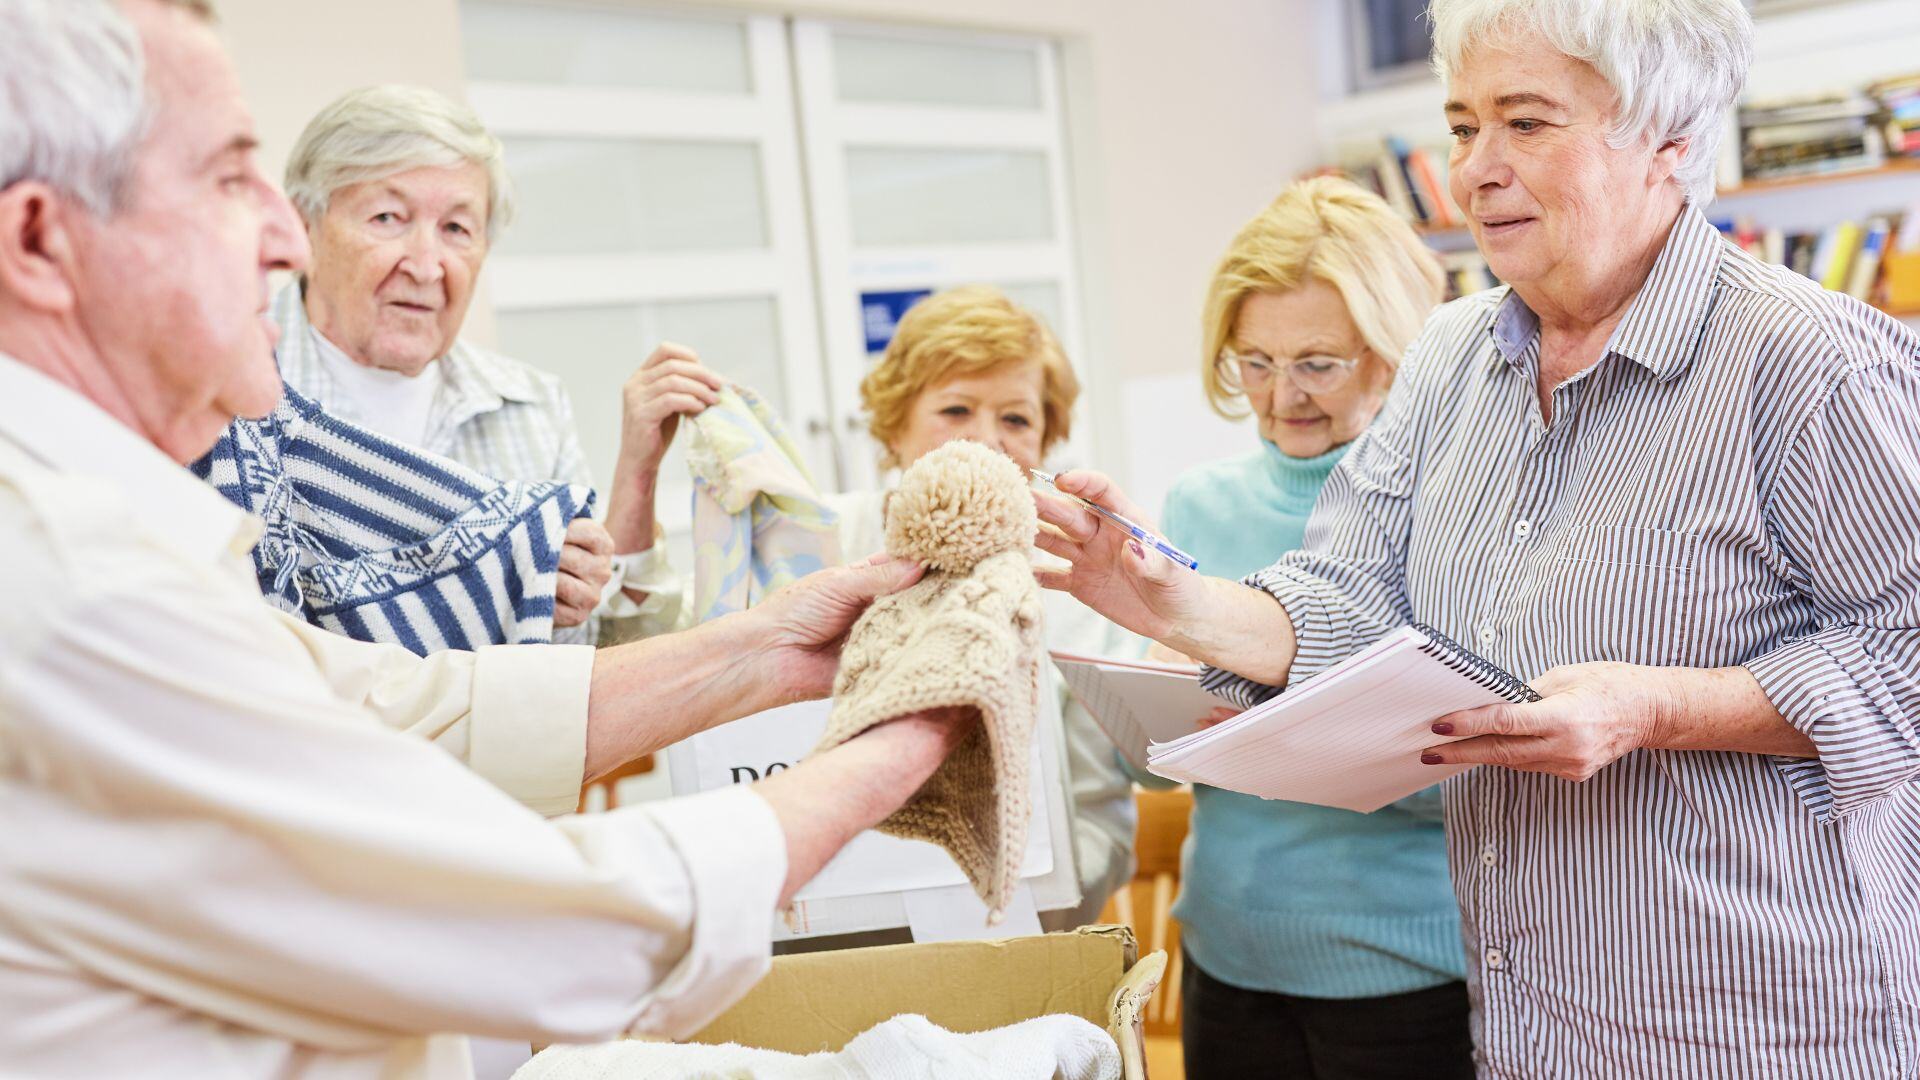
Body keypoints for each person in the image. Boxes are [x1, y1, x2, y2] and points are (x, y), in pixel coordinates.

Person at [0, 1, 975, 1075]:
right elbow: (557, 935)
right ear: (42, 241)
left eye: (458, 226)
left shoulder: (101, 539)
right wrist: (909, 733)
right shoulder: (70, 590)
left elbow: (396, 703)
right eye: (231, 183)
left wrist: (769, 652)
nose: (276, 240)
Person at [1034, 0, 1920, 1073]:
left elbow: (1902, 654)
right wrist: (1175, 602)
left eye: (1527, 124)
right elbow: (1348, 595)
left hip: (1754, 1017)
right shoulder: (1453, 355)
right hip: (1528, 1017)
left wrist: (1659, 708)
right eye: (1462, 128)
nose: (1474, 170)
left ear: (1671, 142)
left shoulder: (1816, 366)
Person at [625, 285, 1135, 929]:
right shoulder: (803, 546)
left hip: (1011, 940)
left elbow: (1099, 808)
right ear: (893, 427)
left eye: (1017, 419)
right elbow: (665, 658)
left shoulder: (1074, 589)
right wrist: (638, 477)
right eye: (955, 409)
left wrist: (1027, 897)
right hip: (828, 946)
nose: (986, 440)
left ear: (1045, 442)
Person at [1141, 177, 1468, 1080]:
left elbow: (1489, 777)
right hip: (1226, 957)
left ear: (1394, 352)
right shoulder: (1199, 504)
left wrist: (1301, 744)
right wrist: (1155, 707)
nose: (1282, 397)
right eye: (1253, 362)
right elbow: (1148, 762)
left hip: (1405, 977)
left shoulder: (1458, 507)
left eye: (1318, 363)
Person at [275, 84, 714, 642]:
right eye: (387, 217)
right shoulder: (226, 398)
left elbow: (603, 654)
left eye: (456, 229)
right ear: (303, 227)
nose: (427, 266)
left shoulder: (529, 406)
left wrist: (637, 473)